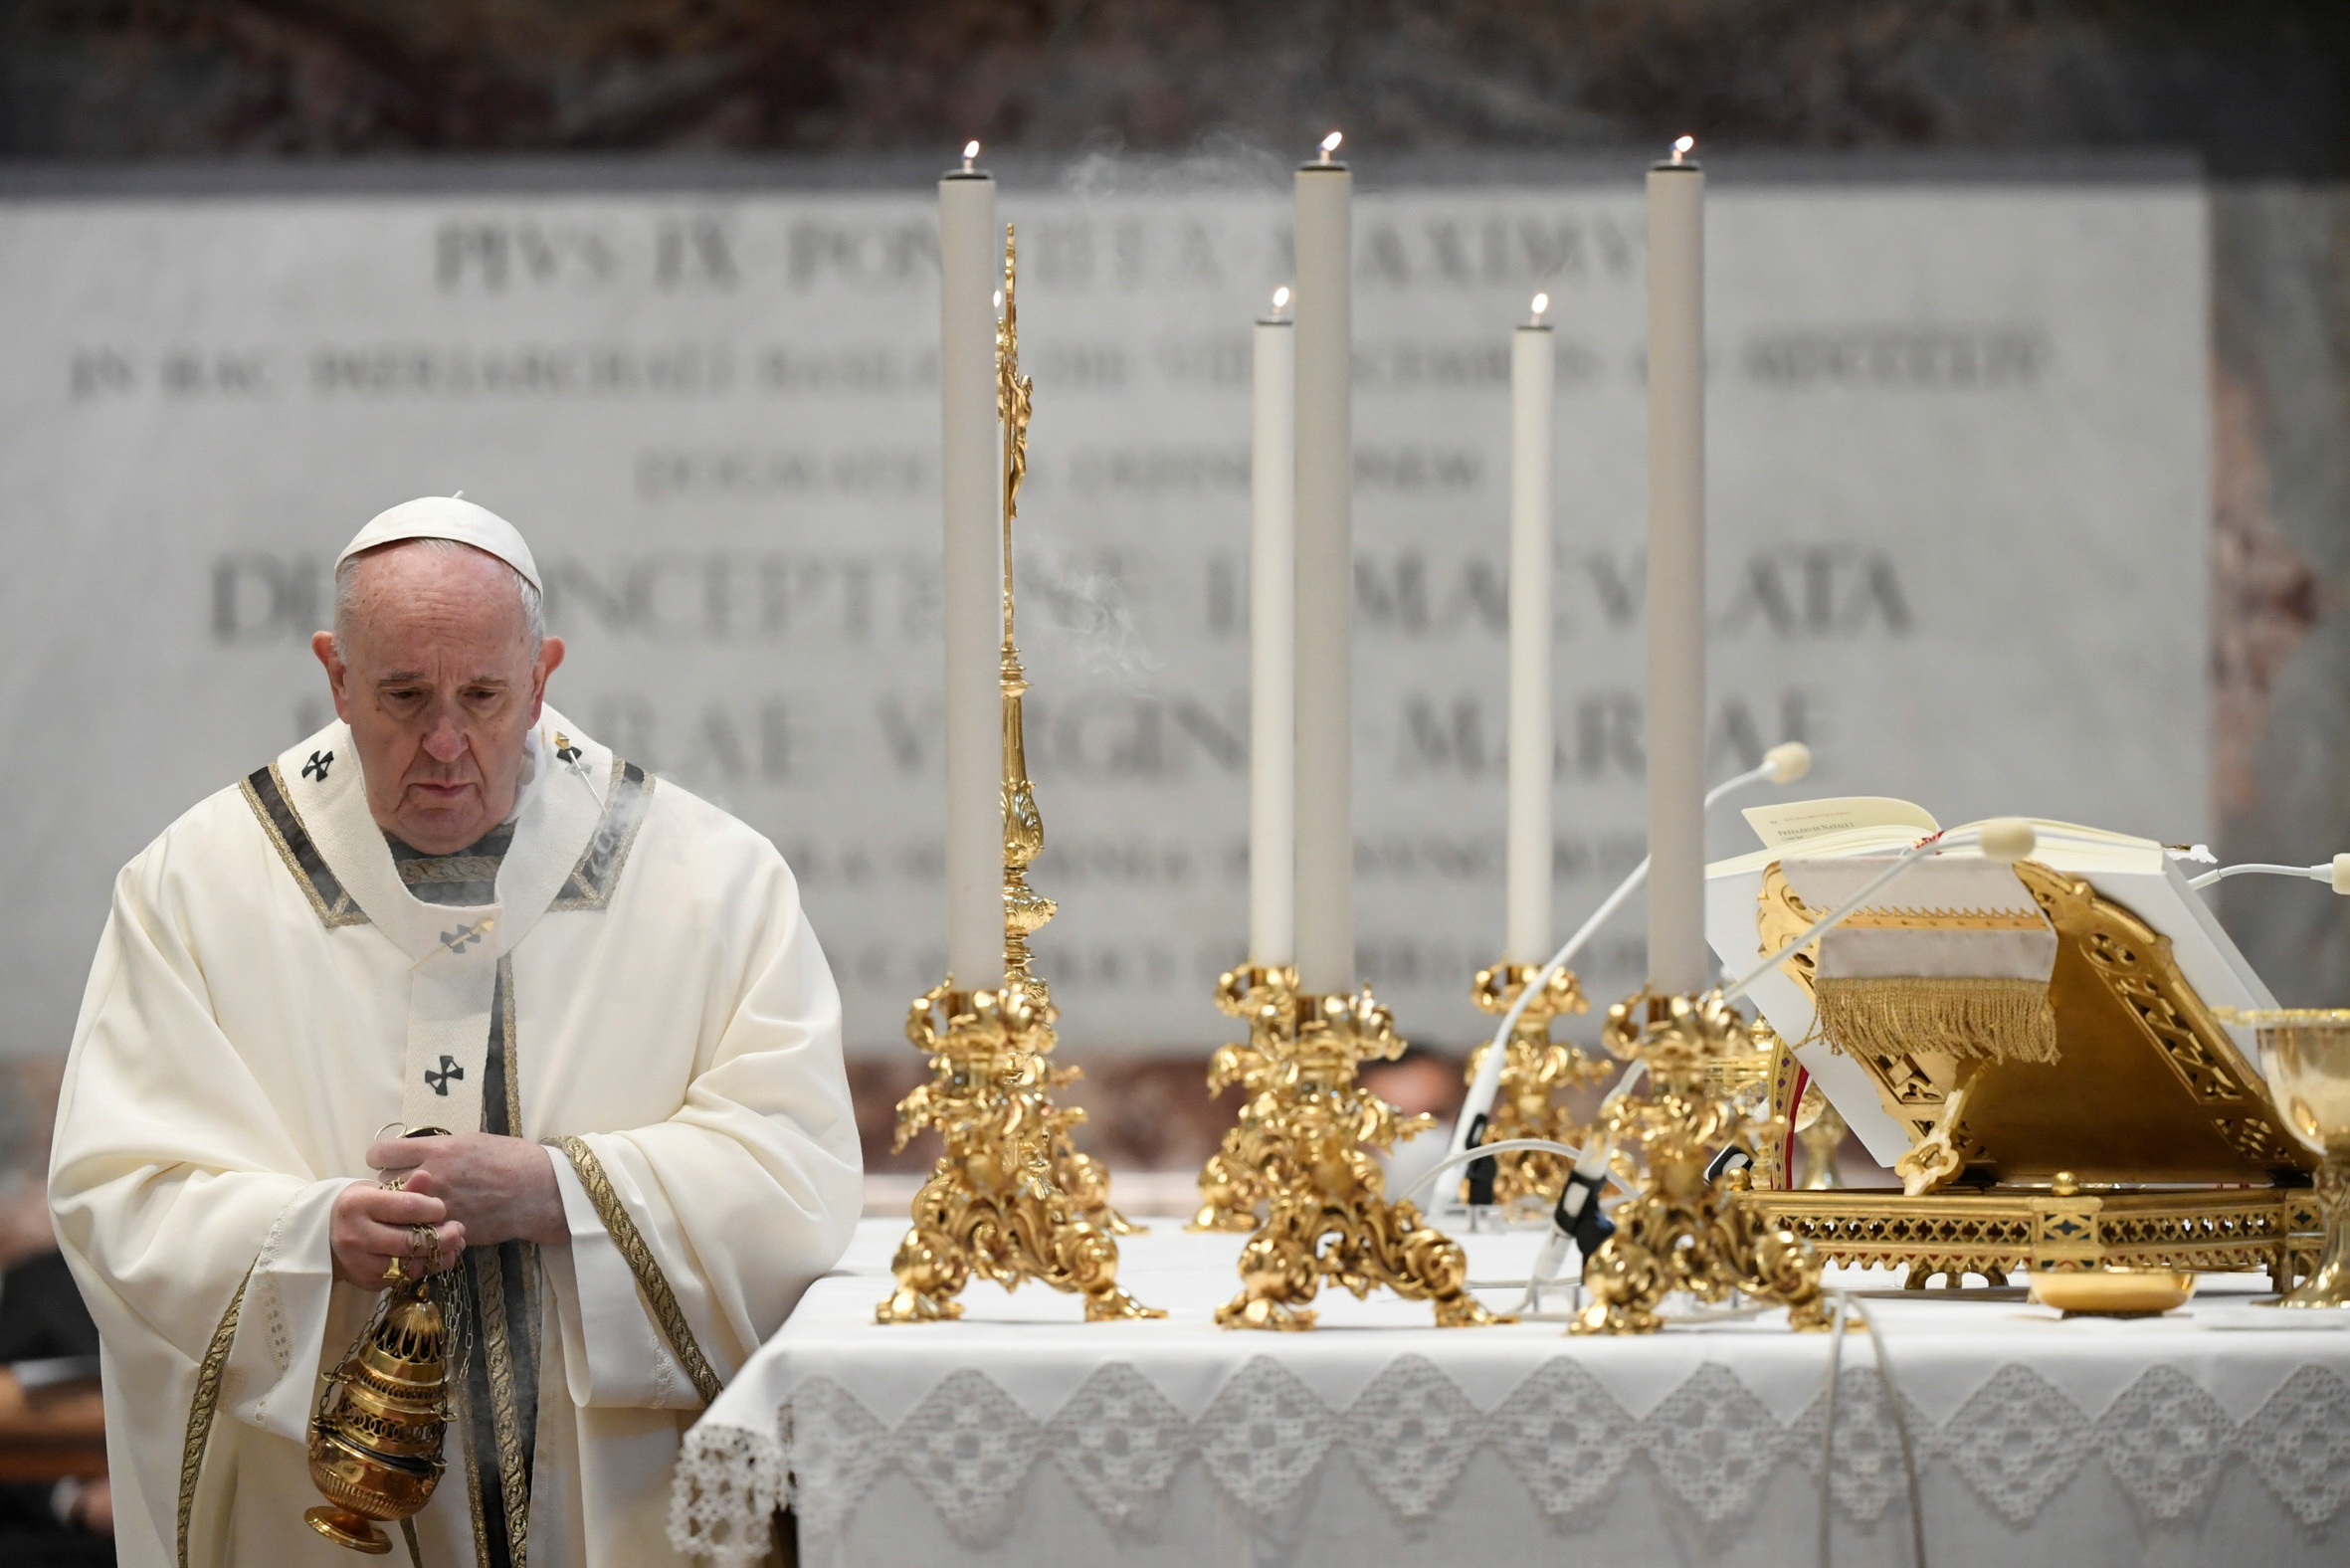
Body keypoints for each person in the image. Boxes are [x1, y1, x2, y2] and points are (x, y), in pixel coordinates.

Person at [48, 496, 862, 1568]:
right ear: (336, 674)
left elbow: (795, 1171)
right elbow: (117, 1192)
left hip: (607, 1509)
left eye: (482, 695)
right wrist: (310, 1235)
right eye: (401, 695)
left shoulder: (711, 882)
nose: (444, 742)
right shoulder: (196, 889)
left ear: (542, 675)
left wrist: (555, 1190)